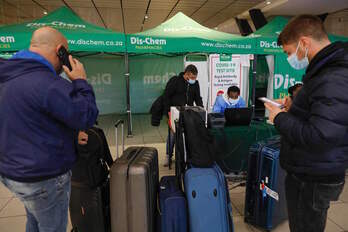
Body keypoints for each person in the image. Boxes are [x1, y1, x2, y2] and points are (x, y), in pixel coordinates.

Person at [0, 27, 98, 232]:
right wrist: (80, 80)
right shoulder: (48, 84)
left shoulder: (9, 74)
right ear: (60, 51)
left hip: (13, 172)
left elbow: (28, 119)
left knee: (34, 219)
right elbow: (87, 115)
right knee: (52, 227)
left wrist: (71, 134)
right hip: (43, 178)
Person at [265, 15, 348, 232]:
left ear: (304, 42)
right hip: (310, 169)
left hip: (314, 176)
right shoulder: (323, 70)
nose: (290, 58)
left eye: (288, 52)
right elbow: (323, 117)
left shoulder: (333, 76)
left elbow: (321, 135)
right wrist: (294, 107)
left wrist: (279, 118)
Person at [162, 64, 203, 167]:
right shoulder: (175, 81)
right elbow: (166, 96)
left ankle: (186, 156)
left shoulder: (195, 84)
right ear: (187, 74)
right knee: (172, 135)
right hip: (174, 112)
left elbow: (198, 98)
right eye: (192, 77)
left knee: (189, 134)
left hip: (188, 113)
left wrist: (201, 109)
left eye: (195, 77)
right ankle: (168, 155)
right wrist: (168, 112)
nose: (194, 79)